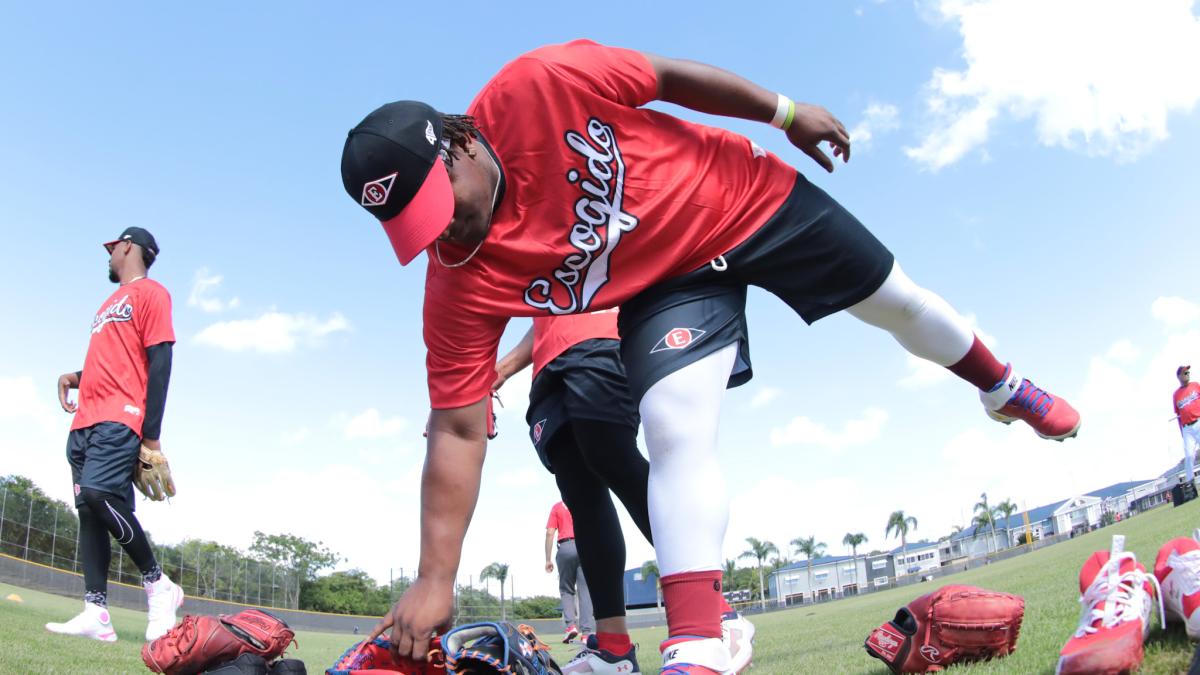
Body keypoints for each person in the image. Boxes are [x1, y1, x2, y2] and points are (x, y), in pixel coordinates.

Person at [342, 40, 1080, 674]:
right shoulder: (456, 283)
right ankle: (700, 638)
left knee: (901, 304)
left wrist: (787, 113)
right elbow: (459, 428)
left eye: (445, 206)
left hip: (747, 199)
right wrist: (434, 577)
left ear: (463, 143)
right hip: (672, 283)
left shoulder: (540, 82)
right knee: (672, 420)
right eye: (418, 228)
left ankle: (1001, 385)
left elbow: (669, 77)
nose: (445, 236)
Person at [498, 312, 754, 674]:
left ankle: (718, 613)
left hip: (603, 336)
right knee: (580, 495)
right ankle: (613, 649)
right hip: (547, 367)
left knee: (614, 458)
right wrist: (503, 369)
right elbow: (547, 315)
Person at [45, 227, 183, 643]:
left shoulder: (152, 293)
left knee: (95, 496)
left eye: (111, 249)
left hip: (120, 418)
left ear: (126, 246)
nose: (108, 257)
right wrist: (76, 376)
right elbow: (114, 363)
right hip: (85, 419)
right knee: (88, 510)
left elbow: (159, 360)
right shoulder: (108, 303)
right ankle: (95, 612)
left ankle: (159, 584)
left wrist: (152, 436)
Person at [544, 500, 595, 644]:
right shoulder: (582, 502)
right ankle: (586, 633)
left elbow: (549, 532)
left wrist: (548, 559)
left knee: (566, 590)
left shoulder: (557, 507)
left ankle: (571, 626)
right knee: (585, 591)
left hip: (566, 547)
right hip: (584, 546)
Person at [1174, 365, 1200, 483]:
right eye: (1185, 373)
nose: (1187, 374)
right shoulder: (1176, 395)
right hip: (1187, 428)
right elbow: (1178, 416)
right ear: (1179, 376)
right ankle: (1190, 485)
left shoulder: (1196, 385)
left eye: (1188, 372)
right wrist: (1182, 433)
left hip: (1198, 421)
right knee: (1189, 456)